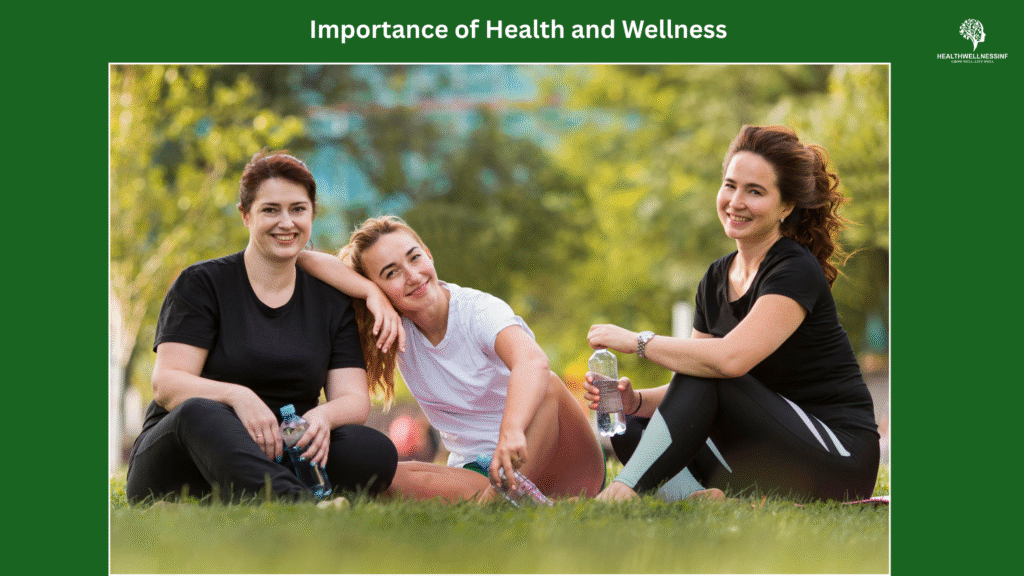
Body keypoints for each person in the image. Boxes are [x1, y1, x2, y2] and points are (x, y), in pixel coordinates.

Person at [585, 125, 880, 503]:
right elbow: (693, 389)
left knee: (717, 368)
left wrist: (637, 342)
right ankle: (701, 498)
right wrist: (636, 401)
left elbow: (728, 362)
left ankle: (621, 492)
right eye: (730, 185)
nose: (736, 201)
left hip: (837, 459)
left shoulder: (794, 269)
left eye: (754, 191)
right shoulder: (715, 278)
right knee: (626, 428)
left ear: (785, 207)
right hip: (766, 453)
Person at [125, 150, 401, 503]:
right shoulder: (203, 284)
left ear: (312, 213)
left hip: (282, 447)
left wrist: (321, 418)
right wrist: (236, 397)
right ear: (246, 215)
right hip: (185, 454)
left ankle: (237, 494)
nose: (286, 222)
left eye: (298, 209)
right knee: (198, 412)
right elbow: (166, 384)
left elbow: (353, 400)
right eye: (270, 210)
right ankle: (301, 504)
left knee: (371, 449)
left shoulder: (330, 301)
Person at [298, 216, 606, 503]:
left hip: (556, 455)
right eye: (391, 273)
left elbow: (531, 362)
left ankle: (495, 504)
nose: (412, 275)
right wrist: (369, 293)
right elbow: (305, 258)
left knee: (548, 385)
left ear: (428, 255)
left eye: (414, 257)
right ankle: (503, 499)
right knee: (381, 474)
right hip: (483, 472)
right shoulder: (395, 328)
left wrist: (511, 431)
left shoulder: (477, 311)